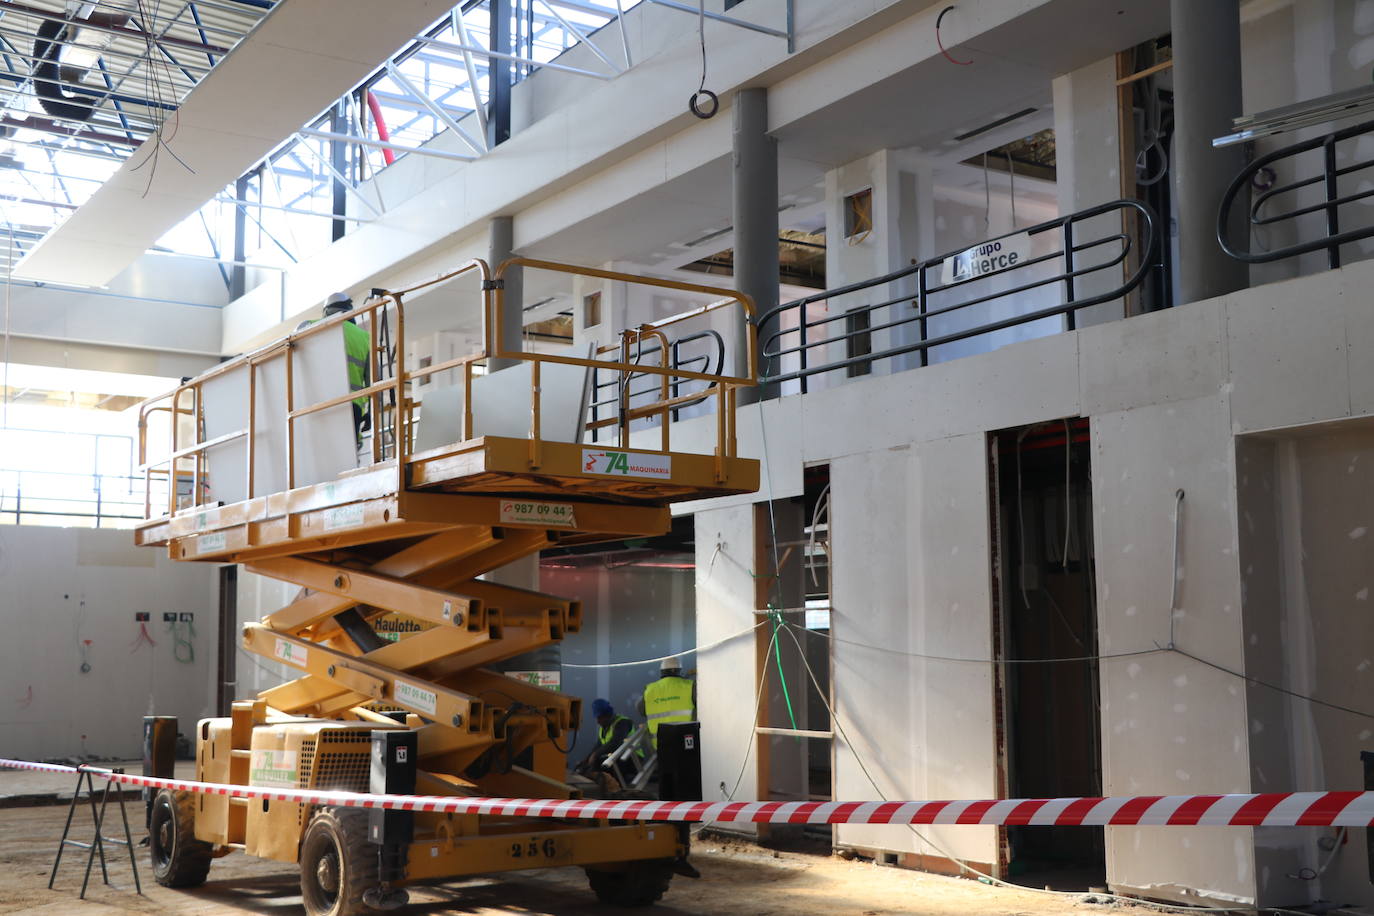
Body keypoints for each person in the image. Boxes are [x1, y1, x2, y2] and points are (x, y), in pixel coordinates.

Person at [298, 292, 370, 442]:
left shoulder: (309, 327)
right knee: (349, 452)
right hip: (353, 405)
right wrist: (373, 411)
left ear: (327, 311)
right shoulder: (364, 337)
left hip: (319, 402)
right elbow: (374, 380)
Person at [642, 656, 695, 749]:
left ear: (662, 671)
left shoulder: (650, 689)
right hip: (686, 741)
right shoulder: (689, 686)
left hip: (660, 744)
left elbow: (641, 709)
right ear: (679, 670)